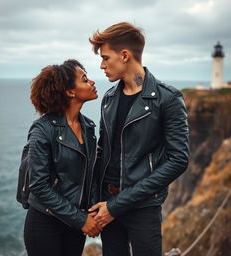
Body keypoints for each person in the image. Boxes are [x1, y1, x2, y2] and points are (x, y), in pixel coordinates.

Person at [88, 22, 190, 256]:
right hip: (106, 205)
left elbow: (178, 160)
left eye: (105, 58)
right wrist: (96, 202)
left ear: (124, 55)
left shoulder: (168, 98)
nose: (102, 66)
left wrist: (117, 205)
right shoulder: (109, 98)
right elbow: (103, 152)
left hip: (143, 207)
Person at [23, 59, 102, 256]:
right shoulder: (42, 130)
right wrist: (81, 220)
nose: (92, 82)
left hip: (74, 224)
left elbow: (89, 174)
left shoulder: (89, 127)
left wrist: (91, 211)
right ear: (70, 91)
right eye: (85, 79)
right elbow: (39, 185)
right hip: (45, 225)